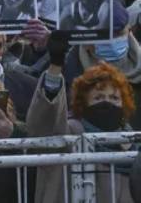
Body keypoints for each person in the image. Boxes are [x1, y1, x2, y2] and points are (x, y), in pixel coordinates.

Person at [28, 34, 137, 202]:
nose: (107, 103)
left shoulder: (134, 143)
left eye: (114, 98)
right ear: (83, 103)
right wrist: (55, 66)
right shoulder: (70, 133)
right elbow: (44, 125)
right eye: (99, 98)